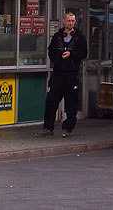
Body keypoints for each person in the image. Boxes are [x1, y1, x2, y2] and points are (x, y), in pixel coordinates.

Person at [37, 10, 87, 138]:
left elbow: (83, 53)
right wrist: (57, 60)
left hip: (71, 74)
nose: (71, 23)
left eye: (73, 21)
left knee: (71, 102)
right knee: (51, 100)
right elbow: (51, 51)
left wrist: (72, 55)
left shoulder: (80, 37)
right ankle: (48, 127)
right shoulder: (57, 36)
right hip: (58, 73)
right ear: (64, 21)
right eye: (69, 20)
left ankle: (67, 128)